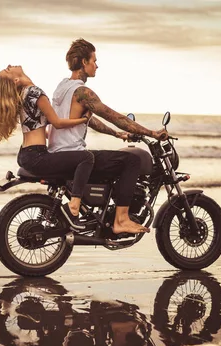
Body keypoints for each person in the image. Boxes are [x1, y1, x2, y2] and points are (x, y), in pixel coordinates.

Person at [48, 38, 168, 235]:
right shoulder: (83, 92)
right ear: (84, 62)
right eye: (94, 60)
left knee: (113, 162)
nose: (97, 65)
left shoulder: (62, 88)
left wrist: (116, 134)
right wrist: (151, 132)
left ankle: (104, 214)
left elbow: (88, 119)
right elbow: (115, 117)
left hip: (59, 154)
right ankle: (121, 220)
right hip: (73, 155)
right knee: (130, 161)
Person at [0, 64, 94, 230]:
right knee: (86, 158)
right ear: (16, 79)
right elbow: (57, 123)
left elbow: (39, 128)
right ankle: (74, 205)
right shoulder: (35, 92)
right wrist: (83, 120)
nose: (9, 66)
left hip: (25, 155)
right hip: (37, 156)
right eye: (7, 70)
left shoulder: (22, 95)